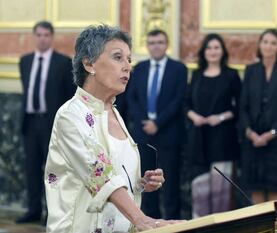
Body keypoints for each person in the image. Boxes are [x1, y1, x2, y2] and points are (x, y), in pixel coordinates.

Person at [44, 25, 174, 232]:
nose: (127, 67)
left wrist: (140, 184)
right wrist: (144, 220)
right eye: (117, 57)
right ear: (89, 63)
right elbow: (100, 175)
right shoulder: (70, 115)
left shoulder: (114, 113)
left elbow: (116, 174)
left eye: (129, 60)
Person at [17, 21, 75, 223]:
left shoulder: (63, 62)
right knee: (31, 169)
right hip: (30, 123)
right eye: (39, 35)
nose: (42, 38)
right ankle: (33, 210)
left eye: (46, 35)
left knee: (53, 172)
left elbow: (69, 96)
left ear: (52, 37)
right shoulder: (25, 61)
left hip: (52, 125)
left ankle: (52, 213)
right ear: (35, 36)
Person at [125, 29, 187, 219]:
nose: (156, 46)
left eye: (160, 42)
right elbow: (132, 98)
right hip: (144, 133)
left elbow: (178, 99)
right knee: (146, 180)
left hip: (168, 132)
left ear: (167, 44)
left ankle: (173, 223)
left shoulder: (178, 68)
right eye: (152, 42)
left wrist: (157, 123)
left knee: (170, 183)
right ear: (147, 46)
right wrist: (144, 122)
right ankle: (150, 222)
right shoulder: (139, 68)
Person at [186, 33, 241, 217]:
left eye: (216, 47)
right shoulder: (196, 75)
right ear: (204, 52)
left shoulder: (231, 75)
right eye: (209, 47)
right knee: (199, 194)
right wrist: (194, 116)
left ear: (223, 51)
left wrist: (221, 117)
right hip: (199, 141)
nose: (212, 51)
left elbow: (240, 107)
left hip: (223, 141)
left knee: (221, 196)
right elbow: (186, 105)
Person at [239, 28, 277, 204]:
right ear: (259, 44)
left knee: (275, 190)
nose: (268, 46)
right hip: (253, 141)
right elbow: (243, 107)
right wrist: (250, 133)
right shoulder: (251, 70)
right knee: (255, 189)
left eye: (273, 43)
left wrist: (271, 134)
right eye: (265, 42)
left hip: (276, 143)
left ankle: (275, 229)